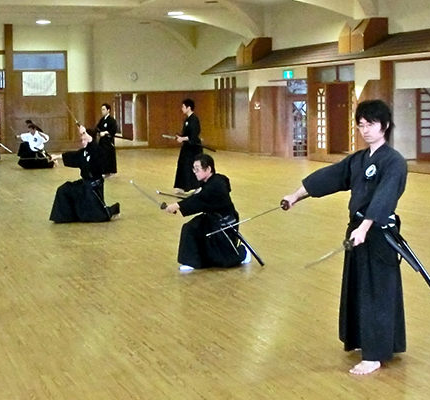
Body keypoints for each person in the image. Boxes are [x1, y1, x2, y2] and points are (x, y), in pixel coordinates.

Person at [281, 99, 408, 375]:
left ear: (385, 126)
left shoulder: (394, 161)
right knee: (358, 288)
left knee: (376, 292)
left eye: (371, 124)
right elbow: (330, 177)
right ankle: (363, 340)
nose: (365, 130)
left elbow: (385, 196)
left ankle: (375, 355)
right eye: (361, 125)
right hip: (357, 232)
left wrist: (365, 228)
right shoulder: (358, 160)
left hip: (377, 235)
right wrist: (295, 195)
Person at [165, 154, 251, 271]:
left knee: (222, 260)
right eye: (194, 169)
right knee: (190, 228)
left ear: (209, 169)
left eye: (197, 169)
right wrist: (181, 205)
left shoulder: (217, 184)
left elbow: (202, 198)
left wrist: (178, 205)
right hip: (211, 218)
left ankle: (243, 253)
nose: (195, 172)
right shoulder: (208, 182)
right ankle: (191, 261)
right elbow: (200, 197)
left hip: (224, 221)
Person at [49, 129, 120, 223]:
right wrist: (56, 156)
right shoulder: (83, 152)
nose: (82, 142)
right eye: (81, 140)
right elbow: (72, 156)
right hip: (84, 185)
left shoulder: (97, 151)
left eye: (84, 140)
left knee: (96, 216)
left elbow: (92, 143)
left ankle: (113, 210)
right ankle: (67, 217)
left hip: (94, 187)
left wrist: (84, 132)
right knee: (64, 190)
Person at [173, 98, 203, 194]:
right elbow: (186, 134)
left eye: (183, 107)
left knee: (190, 166)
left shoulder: (194, 119)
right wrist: (180, 137)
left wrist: (183, 139)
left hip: (193, 148)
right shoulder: (187, 119)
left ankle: (197, 186)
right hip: (187, 147)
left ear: (188, 108)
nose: (182, 108)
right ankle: (182, 187)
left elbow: (193, 136)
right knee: (182, 165)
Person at [83, 103, 118, 177]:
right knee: (102, 156)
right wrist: (86, 131)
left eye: (104, 109)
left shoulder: (112, 120)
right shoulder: (102, 120)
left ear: (108, 110)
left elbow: (113, 130)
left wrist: (105, 132)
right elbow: (97, 129)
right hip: (102, 142)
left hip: (108, 142)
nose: (102, 111)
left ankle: (109, 171)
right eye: (101, 110)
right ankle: (103, 171)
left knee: (108, 157)